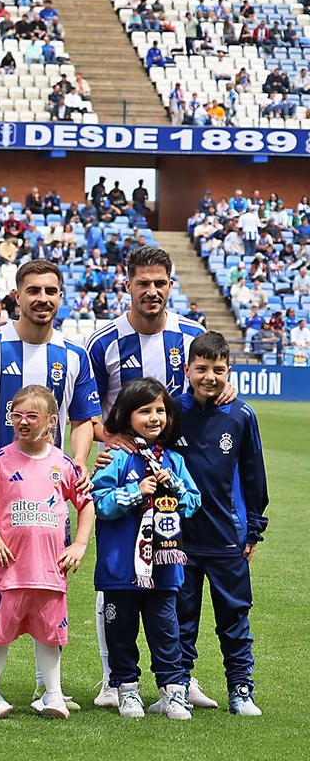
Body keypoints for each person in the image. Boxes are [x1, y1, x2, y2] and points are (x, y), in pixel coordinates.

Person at [0, 259, 99, 707]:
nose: (43, 299)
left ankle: (44, 687)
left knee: (47, 585)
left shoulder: (74, 355)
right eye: (34, 291)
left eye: (51, 291)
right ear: (17, 296)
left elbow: (84, 418)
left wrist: (80, 460)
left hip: (47, 497)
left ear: (61, 296)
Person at [85, 244, 216, 707]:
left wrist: (226, 382)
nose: (153, 291)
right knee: (120, 572)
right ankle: (114, 679)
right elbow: (87, 411)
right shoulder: (103, 343)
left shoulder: (191, 334)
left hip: (182, 469)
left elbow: (212, 376)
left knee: (178, 571)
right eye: (143, 282)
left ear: (171, 284)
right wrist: (112, 441)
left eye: (161, 283)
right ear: (128, 284)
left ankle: (181, 675)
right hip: (126, 473)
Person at [0, 386, 95, 720]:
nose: (22, 422)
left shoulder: (64, 464)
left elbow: (86, 505)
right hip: (11, 571)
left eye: (31, 416)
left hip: (50, 570)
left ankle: (52, 695)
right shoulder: (1, 461)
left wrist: (78, 544)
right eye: (16, 415)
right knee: (1, 631)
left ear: (51, 421)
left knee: (51, 634)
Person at [90, 378, 201, 720]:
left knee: (166, 632)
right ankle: (127, 690)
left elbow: (193, 503)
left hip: (164, 567)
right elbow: (101, 504)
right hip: (120, 568)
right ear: (126, 415)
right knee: (121, 632)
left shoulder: (173, 462)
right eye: (145, 411)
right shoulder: (115, 458)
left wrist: (176, 487)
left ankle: (173, 692)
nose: (155, 418)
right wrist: (136, 492)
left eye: (161, 411)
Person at [175, 333, 267, 715]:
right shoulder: (170, 410)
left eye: (218, 370)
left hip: (227, 536)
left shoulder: (241, 415)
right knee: (180, 619)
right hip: (176, 538)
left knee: (234, 617)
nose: (209, 377)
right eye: (201, 369)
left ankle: (240, 689)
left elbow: (253, 474)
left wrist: (254, 527)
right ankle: (177, 685)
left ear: (229, 371)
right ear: (188, 370)